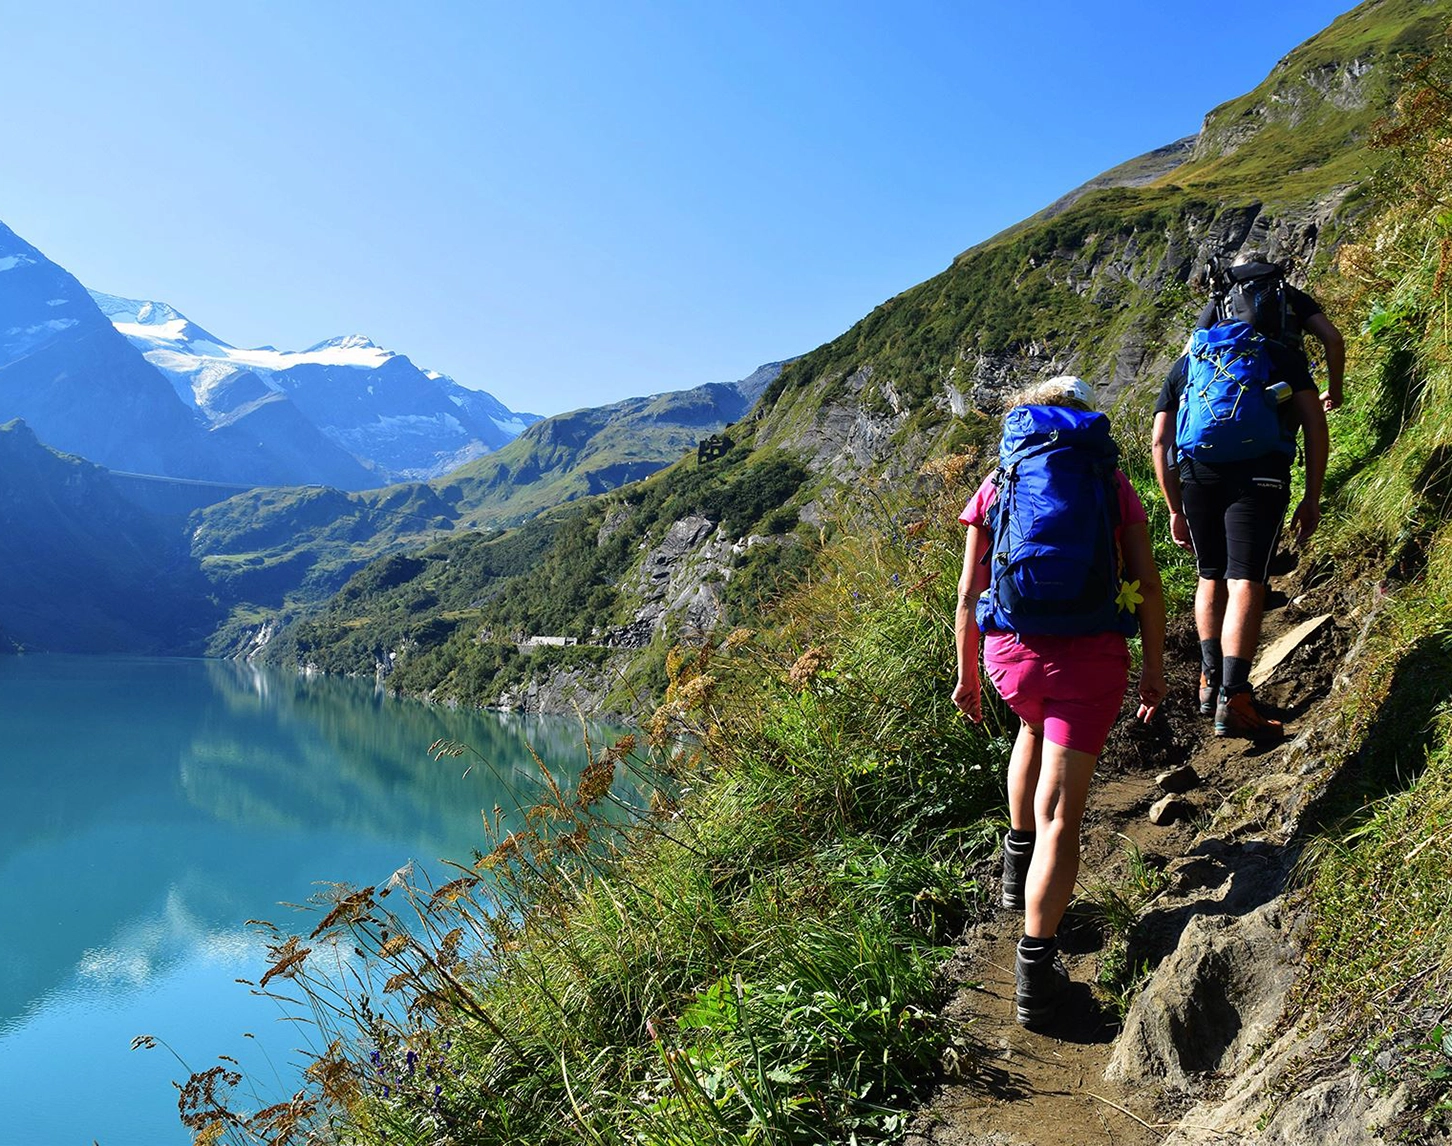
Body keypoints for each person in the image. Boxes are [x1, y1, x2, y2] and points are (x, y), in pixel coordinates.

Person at [953, 376, 1166, 1028]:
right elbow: (1147, 584)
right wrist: (1155, 669)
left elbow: (968, 593)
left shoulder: (1000, 482)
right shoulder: (1108, 481)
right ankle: (1036, 980)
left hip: (1010, 656)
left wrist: (966, 675)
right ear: (1082, 421)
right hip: (1089, 660)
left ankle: (1019, 878)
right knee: (1062, 819)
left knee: (1030, 728)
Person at [1151, 322, 1329, 741]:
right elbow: (1314, 422)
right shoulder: (1277, 355)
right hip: (1261, 474)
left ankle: (1210, 682)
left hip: (1198, 477)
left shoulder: (1188, 364)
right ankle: (1236, 697)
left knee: (1210, 574)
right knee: (1247, 578)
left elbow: (1161, 441)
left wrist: (1175, 507)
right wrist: (1312, 496)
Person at [1200, 251, 1346, 412]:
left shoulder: (1221, 303)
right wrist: (1335, 392)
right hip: (1290, 381)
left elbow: (1188, 356)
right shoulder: (1289, 294)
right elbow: (1334, 340)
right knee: (1290, 434)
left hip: (1236, 384)